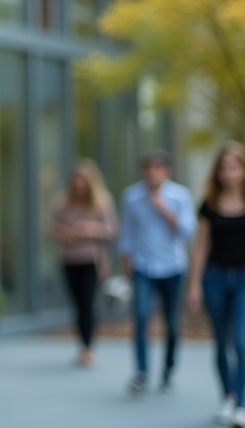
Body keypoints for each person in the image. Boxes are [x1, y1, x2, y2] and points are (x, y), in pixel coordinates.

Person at [119, 150, 195, 395]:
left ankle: (168, 368)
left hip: (173, 267)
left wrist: (162, 207)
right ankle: (141, 372)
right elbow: (127, 236)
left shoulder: (180, 195)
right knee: (141, 318)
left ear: (167, 171)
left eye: (157, 168)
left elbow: (186, 231)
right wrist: (125, 270)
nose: (151, 173)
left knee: (172, 324)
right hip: (143, 267)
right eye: (147, 168)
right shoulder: (131, 197)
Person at [186, 142, 245, 428]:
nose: (229, 173)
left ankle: (242, 403)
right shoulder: (209, 203)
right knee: (222, 342)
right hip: (215, 278)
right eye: (224, 168)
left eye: (234, 167)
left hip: (244, 278)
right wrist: (194, 284)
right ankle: (227, 396)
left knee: (242, 341)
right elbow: (200, 247)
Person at [50, 159, 118, 368]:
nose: (78, 184)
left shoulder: (102, 202)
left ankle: (87, 347)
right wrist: (66, 234)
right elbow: (51, 227)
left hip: (91, 260)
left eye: (82, 180)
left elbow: (112, 231)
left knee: (87, 304)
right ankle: (82, 343)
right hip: (69, 259)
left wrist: (90, 230)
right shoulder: (62, 202)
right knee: (77, 304)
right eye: (75, 179)